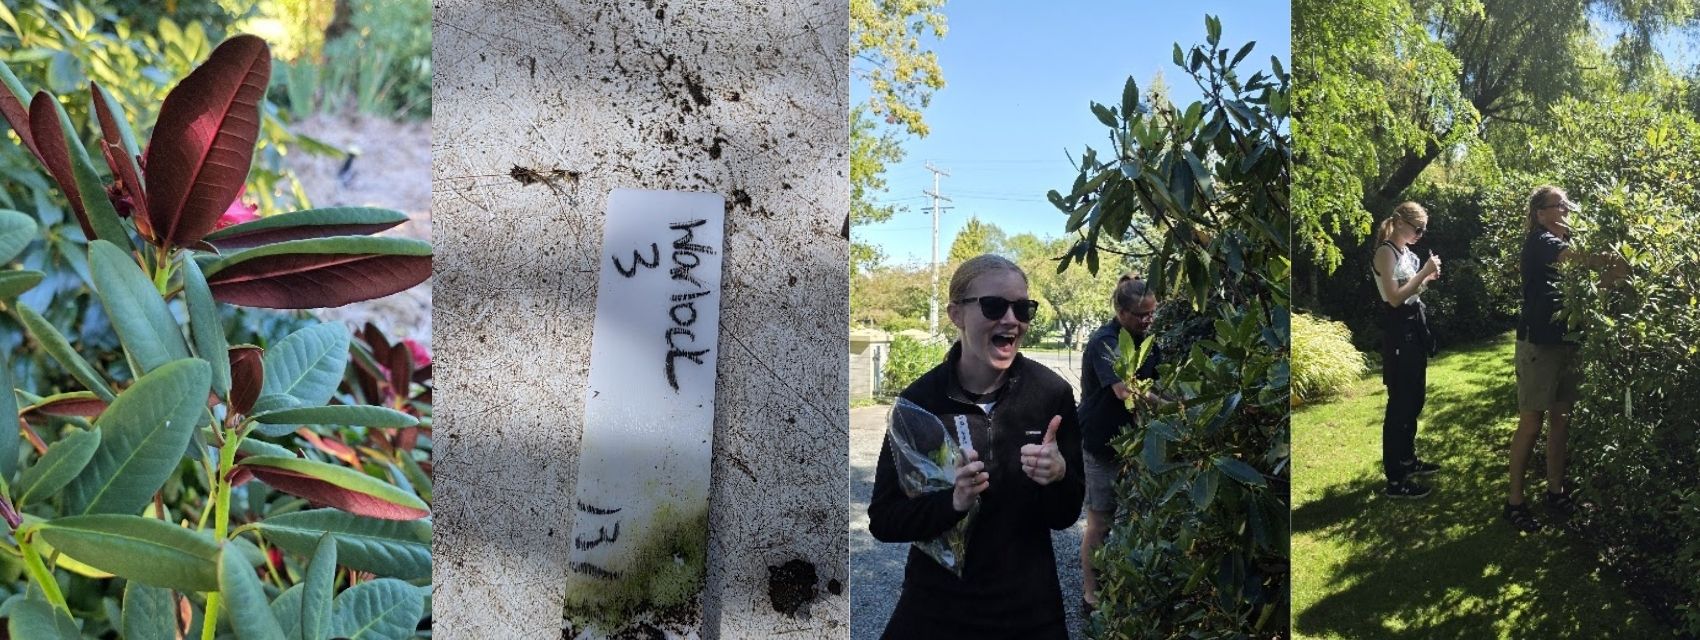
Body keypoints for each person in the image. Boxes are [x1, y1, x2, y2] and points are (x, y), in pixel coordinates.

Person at [868, 254, 1084, 639]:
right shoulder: (919, 403)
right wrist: (953, 503)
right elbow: (884, 520)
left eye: (1022, 308)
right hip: (937, 608)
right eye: (994, 305)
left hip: (1027, 610)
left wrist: (1059, 475)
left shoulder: (1051, 394)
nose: (1012, 319)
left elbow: (1064, 515)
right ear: (956, 314)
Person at [1505, 186, 1627, 533]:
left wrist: (1613, 276)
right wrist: (1616, 257)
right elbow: (1582, 259)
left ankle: (1555, 492)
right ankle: (1514, 502)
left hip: (1569, 341)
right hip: (1539, 345)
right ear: (1540, 213)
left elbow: (1592, 288)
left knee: (1561, 418)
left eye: (1567, 204)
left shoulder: (1567, 240)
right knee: (1532, 423)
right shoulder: (1541, 242)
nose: (1567, 209)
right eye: (1559, 205)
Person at [1076, 275, 1161, 611]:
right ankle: (1091, 595)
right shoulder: (1105, 342)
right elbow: (1125, 391)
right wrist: (1168, 406)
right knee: (1100, 522)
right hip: (1103, 443)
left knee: (1138, 517)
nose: (1148, 319)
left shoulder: (1148, 340)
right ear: (1121, 312)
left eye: (1152, 312)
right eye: (1142, 314)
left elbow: (1160, 380)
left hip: (1137, 444)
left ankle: (1124, 584)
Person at [1372, 201, 1443, 499]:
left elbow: (1411, 291)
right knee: (1400, 407)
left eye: (1424, 230)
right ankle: (1395, 480)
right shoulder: (1385, 252)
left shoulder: (1406, 254)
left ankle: (1407, 459)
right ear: (1400, 223)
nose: (1420, 234)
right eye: (1418, 229)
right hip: (1399, 334)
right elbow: (1393, 298)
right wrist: (1423, 271)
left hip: (1414, 331)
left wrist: (1426, 277)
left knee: (1414, 401)